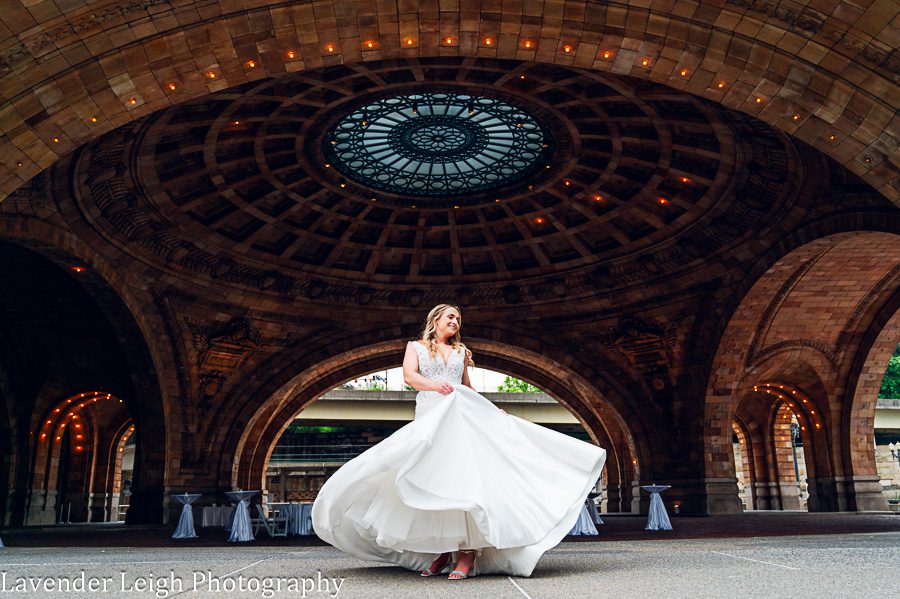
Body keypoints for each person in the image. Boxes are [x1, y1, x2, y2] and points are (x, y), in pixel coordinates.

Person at [311, 304, 606, 579]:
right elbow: (409, 376)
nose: (455, 322)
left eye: (458, 320)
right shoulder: (415, 347)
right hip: (431, 414)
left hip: (459, 414)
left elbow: (466, 387)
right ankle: (443, 548)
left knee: (461, 474)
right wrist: (434, 385)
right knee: (433, 476)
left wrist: (492, 410)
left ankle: (466, 553)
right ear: (435, 320)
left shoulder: (461, 351)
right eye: (450, 317)